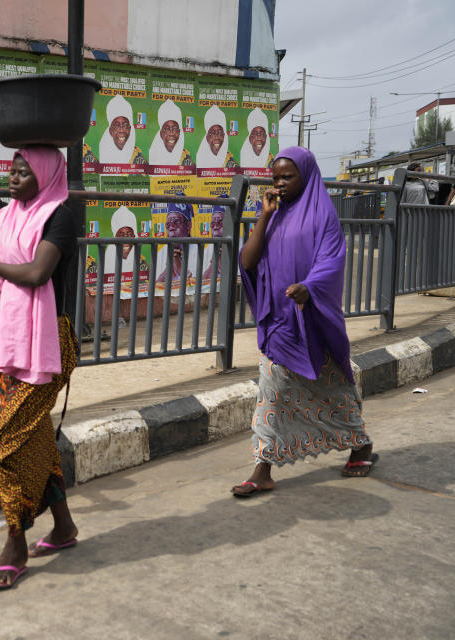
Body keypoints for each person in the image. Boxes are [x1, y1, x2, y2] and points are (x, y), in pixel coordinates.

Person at [0, 113, 80, 590]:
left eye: (24, 169)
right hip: (12, 344)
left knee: (5, 449)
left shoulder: (59, 215)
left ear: (46, 174)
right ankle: (64, 527)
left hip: (48, 345)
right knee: (37, 442)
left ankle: (15, 543)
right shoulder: (5, 213)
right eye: (11, 168)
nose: (12, 176)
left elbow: (36, 275)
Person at [231, 147, 376, 498]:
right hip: (279, 322)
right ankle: (262, 468)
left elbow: (331, 261)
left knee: (332, 390)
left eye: (287, 177)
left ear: (306, 176)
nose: (279, 183)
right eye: (275, 177)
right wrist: (263, 217)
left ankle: (360, 444)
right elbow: (248, 262)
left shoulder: (322, 216)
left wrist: (309, 289)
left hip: (311, 317)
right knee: (272, 389)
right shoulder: (275, 215)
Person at [154, 199, 198, 283]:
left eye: (176, 222)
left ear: (188, 226)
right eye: (168, 224)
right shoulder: (161, 253)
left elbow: (200, 286)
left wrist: (179, 266)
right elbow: (155, 287)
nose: (171, 228)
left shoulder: (199, 250)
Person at [99, 95, 145, 165]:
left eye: (125, 125)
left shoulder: (139, 158)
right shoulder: (102, 153)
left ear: (130, 129)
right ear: (110, 131)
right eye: (117, 126)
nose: (121, 130)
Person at [149, 99, 193, 167]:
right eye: (167, 129)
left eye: (175, 129)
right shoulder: (150, 158)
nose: (171, 133)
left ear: (179, 132)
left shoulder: (187, 160)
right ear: (161, 133)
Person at [103, 206, 139, 279]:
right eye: (121, 235)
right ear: (115, 237)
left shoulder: (138, 253)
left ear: (134, 236)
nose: (125, 239)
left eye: (129, 234)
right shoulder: (109, 256)